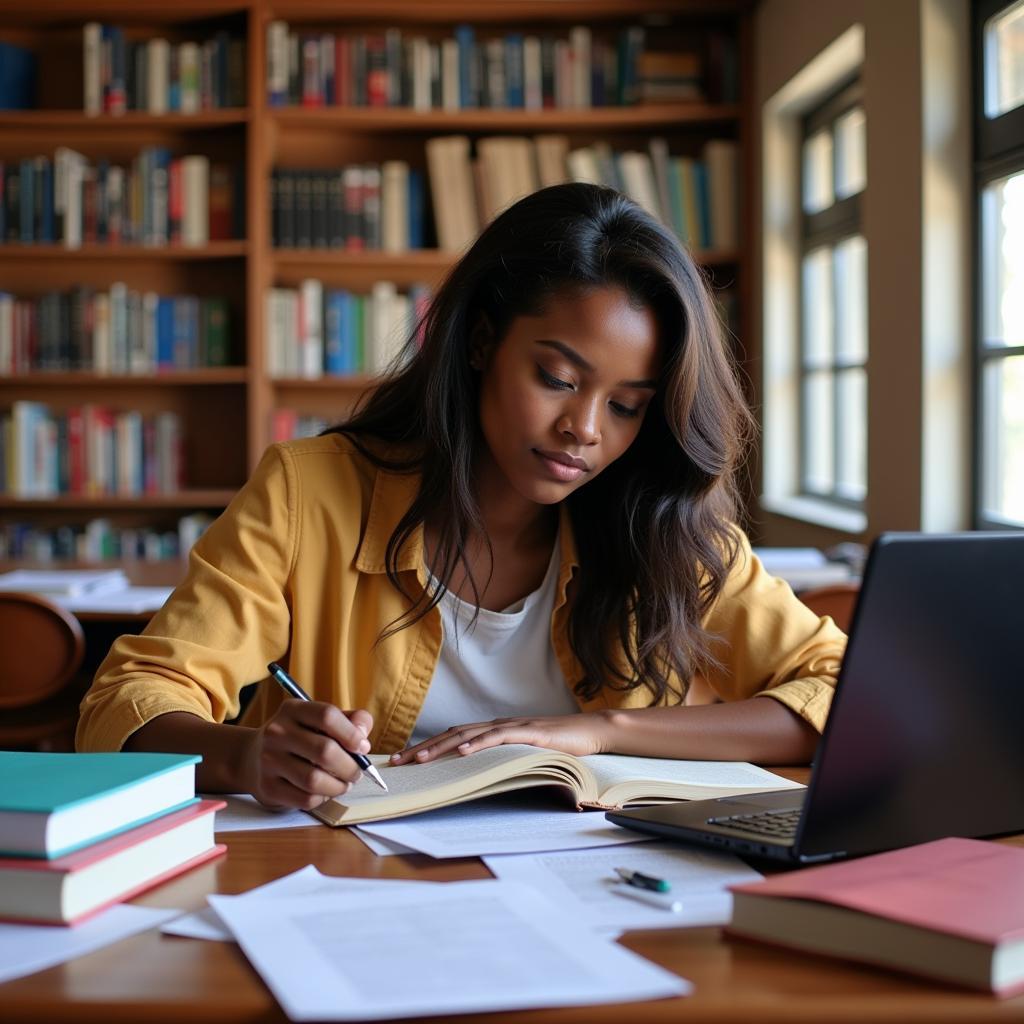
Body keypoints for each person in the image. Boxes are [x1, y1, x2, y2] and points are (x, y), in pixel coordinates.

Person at [77, 183, 846, 811]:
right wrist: (251, 756)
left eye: (626, 405)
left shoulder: (663, 526)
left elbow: (845, 693)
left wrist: (602, 732)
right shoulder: (307, 492)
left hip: (603, 897)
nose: (582, 429)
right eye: (558, 378)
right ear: (481, 342)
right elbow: (129, 698)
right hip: (343, 889)